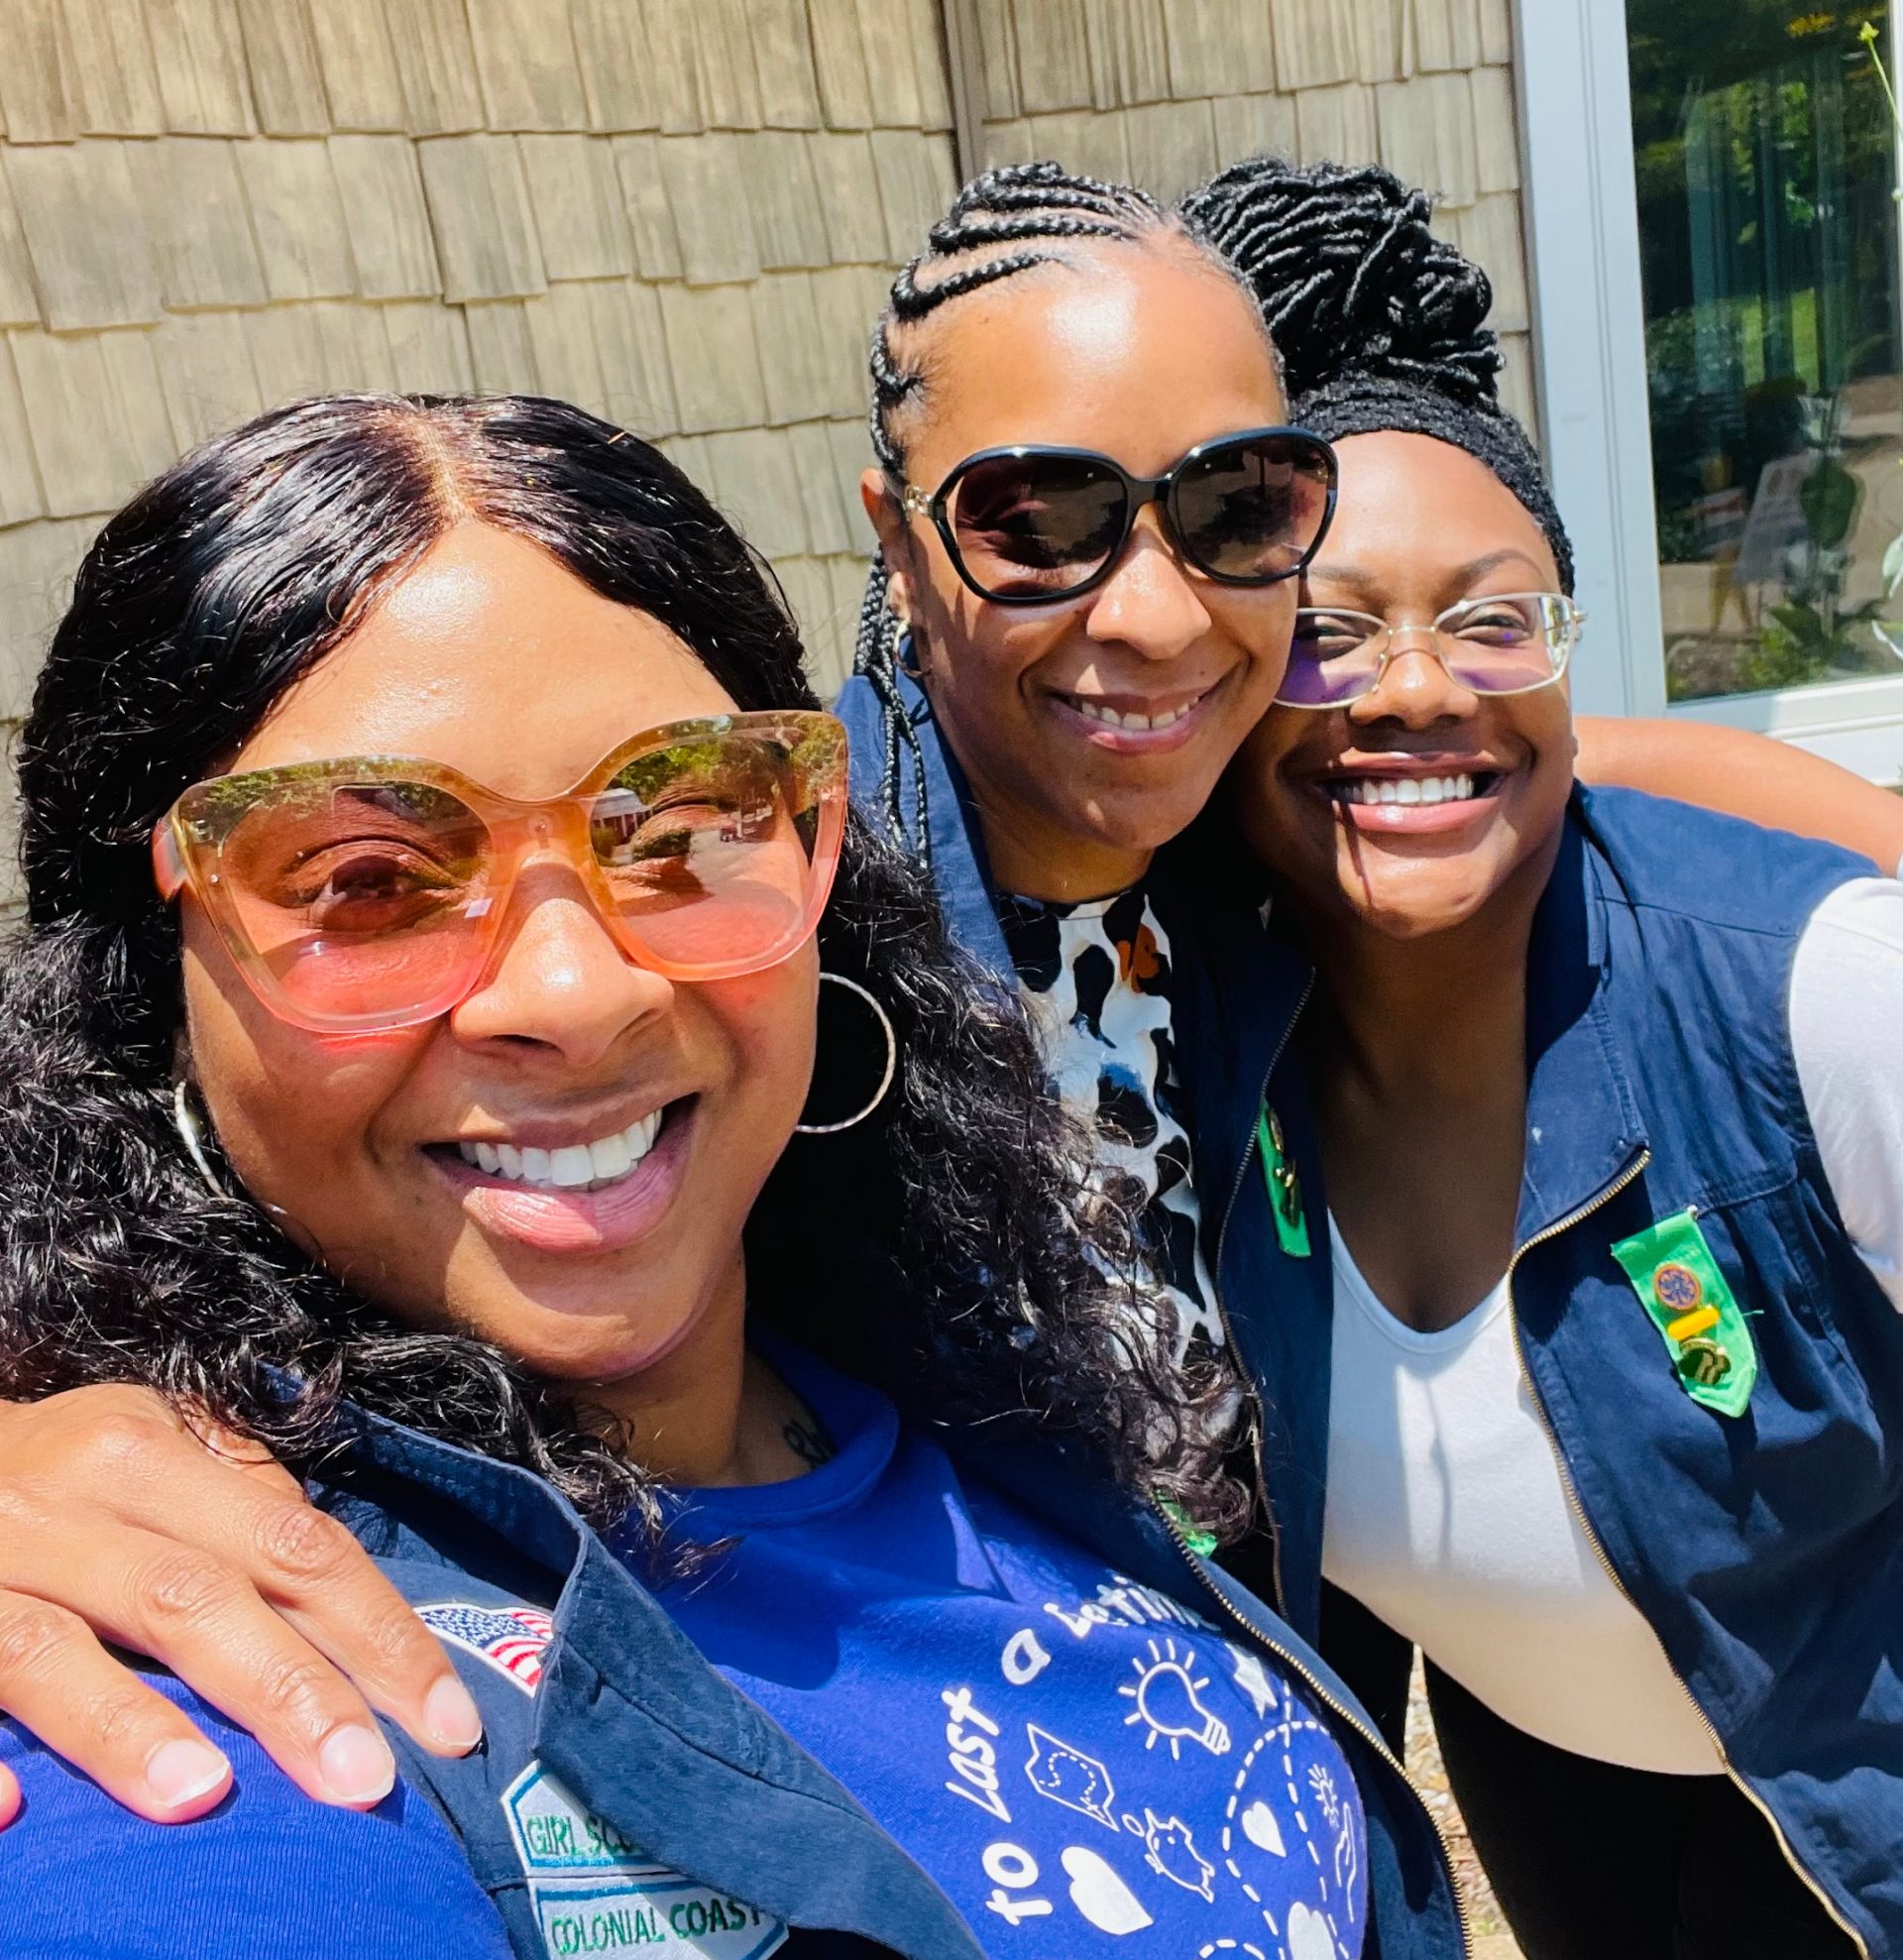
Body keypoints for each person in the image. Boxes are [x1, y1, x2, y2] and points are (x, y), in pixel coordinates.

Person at [1, 162, 1899, 1835]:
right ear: (897, 541)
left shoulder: (1254, 851)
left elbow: (1577, 769)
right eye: (1040, 518)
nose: (1151, 611)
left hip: (1260, 1775)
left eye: (1240, 508)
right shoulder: (738, 893)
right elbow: (134, 1131)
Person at [0, 392, 1487, 1960]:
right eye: (370, 881)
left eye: (680, 824)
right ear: (146, 980)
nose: (581, 988)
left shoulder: (934, 1363)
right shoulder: (202, 1687)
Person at [1165, 155, 1903, 1960]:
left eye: (1492, 618)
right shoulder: (1179, 1015)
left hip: (1858, 1745)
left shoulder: (1822, 997)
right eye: (1324, 636)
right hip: (1555, 1743)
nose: (1415, 682)